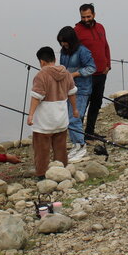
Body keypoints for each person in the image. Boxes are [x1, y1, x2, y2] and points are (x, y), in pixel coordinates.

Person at [27, 46, 78, 178]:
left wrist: (31, 115)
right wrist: (75, 109)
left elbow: (36, 96)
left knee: (41, 149)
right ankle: (62, 170)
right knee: (60, 147)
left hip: (45, 120)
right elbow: (72, 93)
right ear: (55, 59)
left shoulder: (41, 75)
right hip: (61, 118)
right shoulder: (66, 73)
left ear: (41, 62)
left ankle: (42, 174)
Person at [57, 26, 95, 161]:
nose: (63, 44)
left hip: (82, 89)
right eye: (61, 42)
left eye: (65, 41)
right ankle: (76, 145)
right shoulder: (64, 52)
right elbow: (63, 68)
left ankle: (81, 145)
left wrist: (74, 74)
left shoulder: (83, 51)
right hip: (68, 89)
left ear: (71, 40)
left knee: (74, 118)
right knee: (67, 119)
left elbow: (92, 68)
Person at [74, 3, 110, 138]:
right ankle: (77, 134)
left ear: (94, 15)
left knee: (96, 103)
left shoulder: (100, 27)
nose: (86, 20)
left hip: (101, 73)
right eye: (83, 17)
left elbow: (106, 46)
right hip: (86, 76)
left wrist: (108, 65)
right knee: (82, 105)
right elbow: (72, 53)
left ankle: (90, 132)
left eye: (88, 16)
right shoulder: (76, 31)